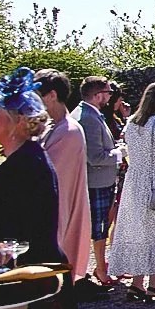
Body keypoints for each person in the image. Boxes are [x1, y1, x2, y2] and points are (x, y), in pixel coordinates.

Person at [0, 70, 66, 267]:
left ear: (19, 121)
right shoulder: (25, 158)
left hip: (26, 271)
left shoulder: (28, 164)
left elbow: (25, 226)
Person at [110, 81, 155, 300]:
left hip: (135, 182)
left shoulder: (132, 122)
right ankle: (153, 284)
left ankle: (136, 283)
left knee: (140, 233)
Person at [35, 71, 95, 283]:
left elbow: (50, 173)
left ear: (52, 95)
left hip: (60, 209)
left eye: (36, 95)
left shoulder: (69, 131)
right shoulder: (50, 127)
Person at [73, 76, 121, 287]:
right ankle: (100, 269)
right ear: (98, 95)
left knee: (101, 227)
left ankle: (100, 266)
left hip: (100, 181)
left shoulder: (90, 113)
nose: (110, 97)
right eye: (108, 93)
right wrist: (120, 153)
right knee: (99, 229)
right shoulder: (88, 118)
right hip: (97, 182)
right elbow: (95, 157)